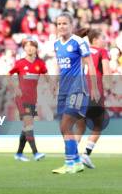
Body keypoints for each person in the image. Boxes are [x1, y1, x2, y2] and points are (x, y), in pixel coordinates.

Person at [51, 13, 99, 174]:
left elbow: (90, 64)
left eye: (65, 23)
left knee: (65, 125)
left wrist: (94, 88)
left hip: (77, 89)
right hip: (63, 91)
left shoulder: (79, 42)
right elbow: (59, 66)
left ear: (71, 25)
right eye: (59, 24)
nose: (61, 26)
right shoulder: (56, 44)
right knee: (64, 127)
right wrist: (54, 83)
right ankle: (76, 161)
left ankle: (69, 163)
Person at [74, 28, 111, 169]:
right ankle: (86, 155)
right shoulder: (103, 52)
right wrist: (109, 88)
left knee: (80, 126)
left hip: (79, 91)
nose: (105, 41)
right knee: (98, 125)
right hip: (95, 93)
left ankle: (72, 155)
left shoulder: (84, 51)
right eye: (103, 37)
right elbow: (107, 73)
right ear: (95, 39)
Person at [9, 38, 48, 162]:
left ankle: (19, 154)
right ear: (24, 48)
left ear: (36, 48)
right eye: (26, 46)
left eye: (32, 46)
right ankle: (36, 153)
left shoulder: (40, 64)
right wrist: (16, 88)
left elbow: (48, 77)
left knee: (27, 126)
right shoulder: (20, 63)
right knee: (29, 124)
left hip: (32, 99)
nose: (29, 48)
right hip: (21, 98)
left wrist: (53, 87)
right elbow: (8, 75)